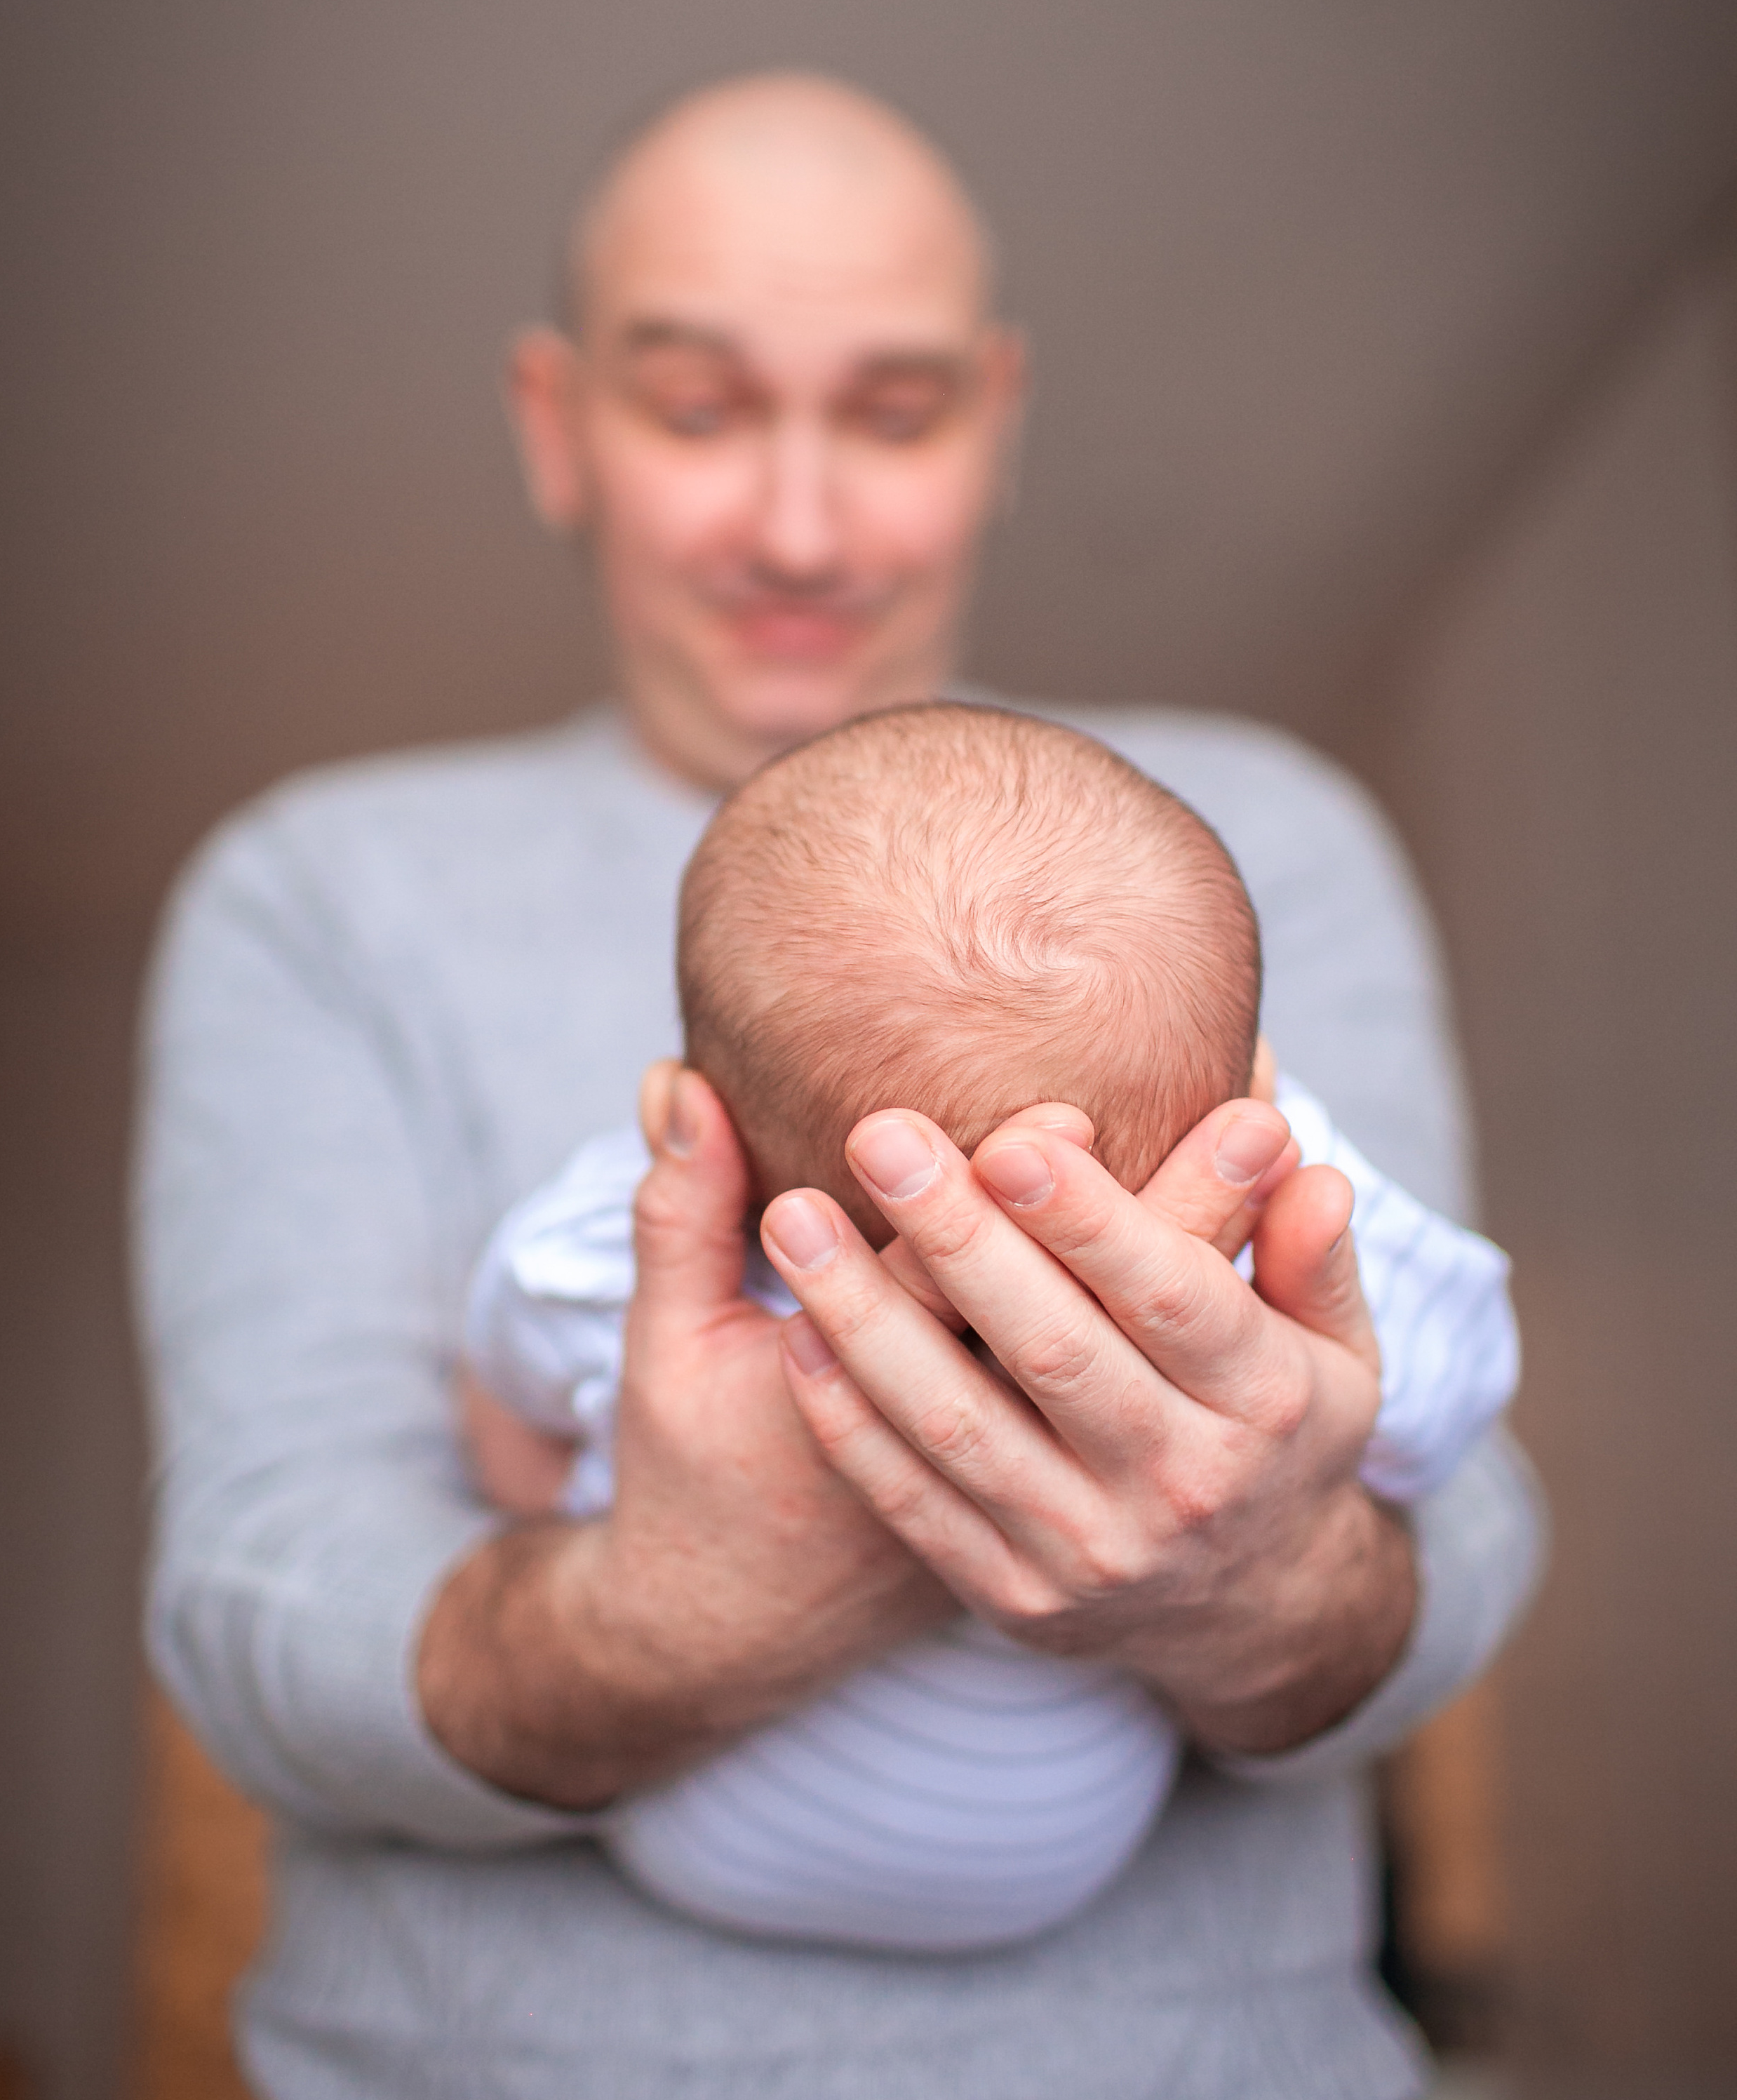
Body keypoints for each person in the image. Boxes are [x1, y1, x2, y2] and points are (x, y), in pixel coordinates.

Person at [136, 72, 1544, 2100]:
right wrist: (670, 1609)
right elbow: (259, 1605)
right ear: (557, 425)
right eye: (700, 409)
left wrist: (1263, 1570)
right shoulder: (319, 893)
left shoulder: (1246, 853)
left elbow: (1464, 1513)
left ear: (997, 418)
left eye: (892, 414)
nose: (799, 529)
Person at [455, 702, 1519, 1955]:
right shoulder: (1286, 1227)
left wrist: (539, 1479)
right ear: (1249, 1089)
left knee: (548, 1424)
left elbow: (508, 1359)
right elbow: (1453, 1397)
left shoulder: (617, 1239)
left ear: (689, 1121)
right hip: (1065, 1846)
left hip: (696, 1822)